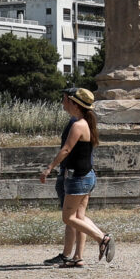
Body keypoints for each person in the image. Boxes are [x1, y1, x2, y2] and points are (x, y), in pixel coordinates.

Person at [39, 86, 113, 267]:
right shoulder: (85, 123)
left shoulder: (78, 125)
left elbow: (66, 149)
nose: (64, 102)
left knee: (68, 218)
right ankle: (78, 257)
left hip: (78, 178)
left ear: (75, 104)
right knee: (79, 217)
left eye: (66, 99)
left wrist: (49, 168)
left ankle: (102, 238)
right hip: (86, 176)